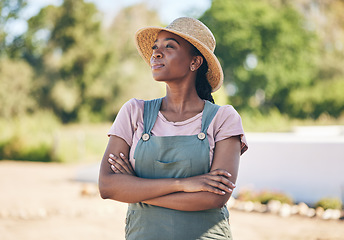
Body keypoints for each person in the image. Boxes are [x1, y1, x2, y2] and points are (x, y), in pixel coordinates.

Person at [99, 17, 248, 240]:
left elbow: (215, 197)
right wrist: (184, 184)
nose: (156, 54)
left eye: (169, 46)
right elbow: (108, 185)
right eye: (155, 47)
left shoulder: (224, 118)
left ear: (195, 62)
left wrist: (136, 190)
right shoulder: (134, 112)